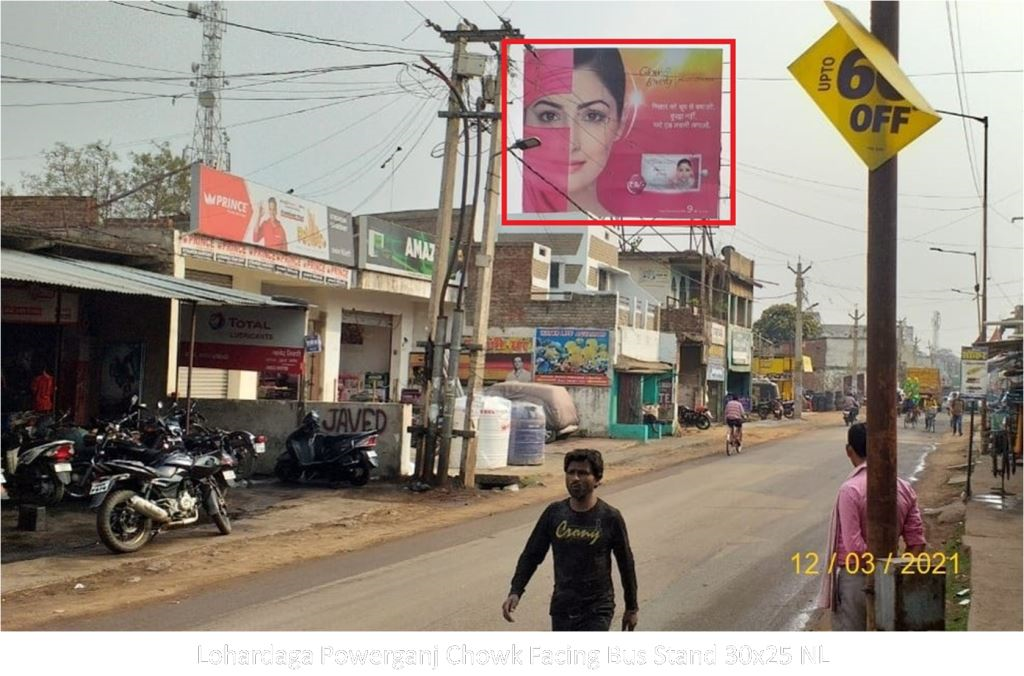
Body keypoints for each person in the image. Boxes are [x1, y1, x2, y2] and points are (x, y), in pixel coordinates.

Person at [501, 448, 639, 631]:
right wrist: (516, 591)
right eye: (571, 472)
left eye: (583, 473)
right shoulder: (555, 513)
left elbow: (626, 563)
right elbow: (532, 555)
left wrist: (632, 607)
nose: (575, 478)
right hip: (562, 608)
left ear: (597, 479)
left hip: (597, 610)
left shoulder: (610, 517)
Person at [816, 422, 926, 631]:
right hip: (892, 576)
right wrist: (893, 573)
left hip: (855, 579)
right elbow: (917, 542)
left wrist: (874, 572)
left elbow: (854, 547)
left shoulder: (850, 490)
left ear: (849, 451)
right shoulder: (904, 488)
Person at [524, 48, 627, 217]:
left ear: (620, 122)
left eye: (593, 116)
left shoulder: (617, 238)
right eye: (549, 116)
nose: (570, 143)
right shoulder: (497, 224)